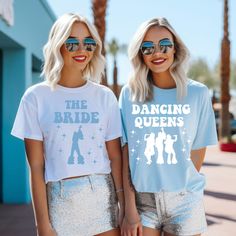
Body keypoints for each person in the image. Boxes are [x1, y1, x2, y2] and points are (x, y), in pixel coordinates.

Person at [11, 13, 124, 236]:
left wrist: (124, 205)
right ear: (58, 45)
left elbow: (115, 156)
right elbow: (36, 166)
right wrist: (41, 224)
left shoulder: (105, 96)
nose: (82, 50)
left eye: (88, 43)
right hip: (59, 204)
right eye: (72, 43)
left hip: (103, 198)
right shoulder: (35, 97)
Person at [119, 17, 218, 236]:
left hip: (184, 199)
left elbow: (197, 152)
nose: (157, 52)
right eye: (148, 47)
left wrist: (178, 185)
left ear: (175, 49)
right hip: (141, 201)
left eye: (165, 45)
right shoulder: (130, 94)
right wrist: (128, 207)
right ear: (140, 54)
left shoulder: (197, 93)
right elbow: (126, 151)